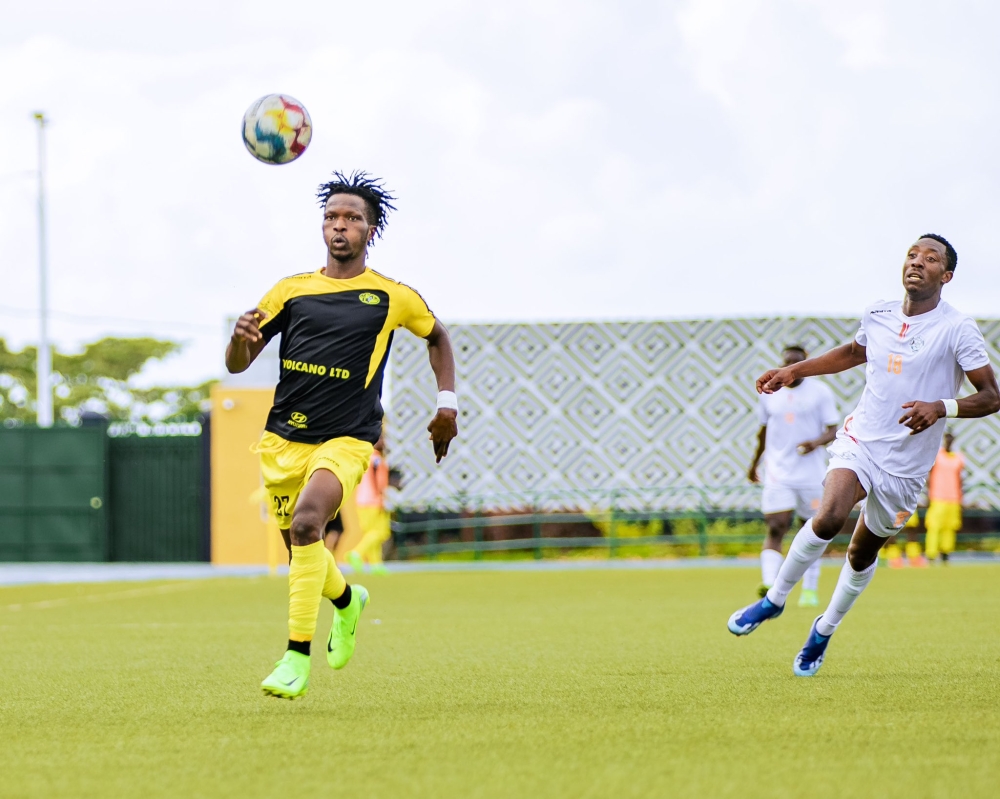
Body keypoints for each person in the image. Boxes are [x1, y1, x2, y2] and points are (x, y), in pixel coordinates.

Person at [226, 171, 459, 699]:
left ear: (370, 230)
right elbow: (240, 365)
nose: (339, 226)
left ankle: (295, 656)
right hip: (284, 438)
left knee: (311, 523)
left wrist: (446, 405)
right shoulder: (291, 290)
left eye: (352, 218)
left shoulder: (392, 295)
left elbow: (437, 336)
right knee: (302, 551)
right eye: (331, 217)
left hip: (350, 437)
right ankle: (348, 601)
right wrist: (238, 341)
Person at [727, 234, 999, 676]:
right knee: (828, 516)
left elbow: (991, 396)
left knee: (859, 555)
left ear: (945, 276)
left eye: (931, 259)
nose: (917, 262)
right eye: (912, 254)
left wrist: (940, 407)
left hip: (907, 468)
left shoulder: (957, 329)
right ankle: (774, 599)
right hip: (861, 441)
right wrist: (794, 370)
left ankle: (823, 630)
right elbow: (854, 352)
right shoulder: (878, 313)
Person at [748, 345, 839, 606]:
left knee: (810, 531)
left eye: (796, 363)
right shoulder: (768, 393)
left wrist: (815, 442)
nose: (791, 368)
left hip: (811, 475)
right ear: (782, 362)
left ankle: (809, 589)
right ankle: (769, 584)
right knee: (776, 525)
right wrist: (754, 463)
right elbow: (763, 432)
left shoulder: (820, 392)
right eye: (787, 362)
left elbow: (833, 430)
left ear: (804, 363)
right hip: (777, 472)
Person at [347, 433, 392, 575]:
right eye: (381, 439)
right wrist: (381, 497)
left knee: (370, 533)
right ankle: (356, 553)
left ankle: (376, 565)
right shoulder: (377, 459)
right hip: (373, 500)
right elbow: (379, 481)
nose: (383, 441)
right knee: (381, 532)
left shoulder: (364, 457)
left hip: (361, 500)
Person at [925, 431, 964, 563]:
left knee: (950, 526)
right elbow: (930, 475)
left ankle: (946, 551)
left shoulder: (958, 457)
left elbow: (960, 478)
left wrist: (961, 496)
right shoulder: (938, 455)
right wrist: (928, 493)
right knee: (934, 525)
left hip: (954, 497)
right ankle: (931, 553)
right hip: (938, 496)